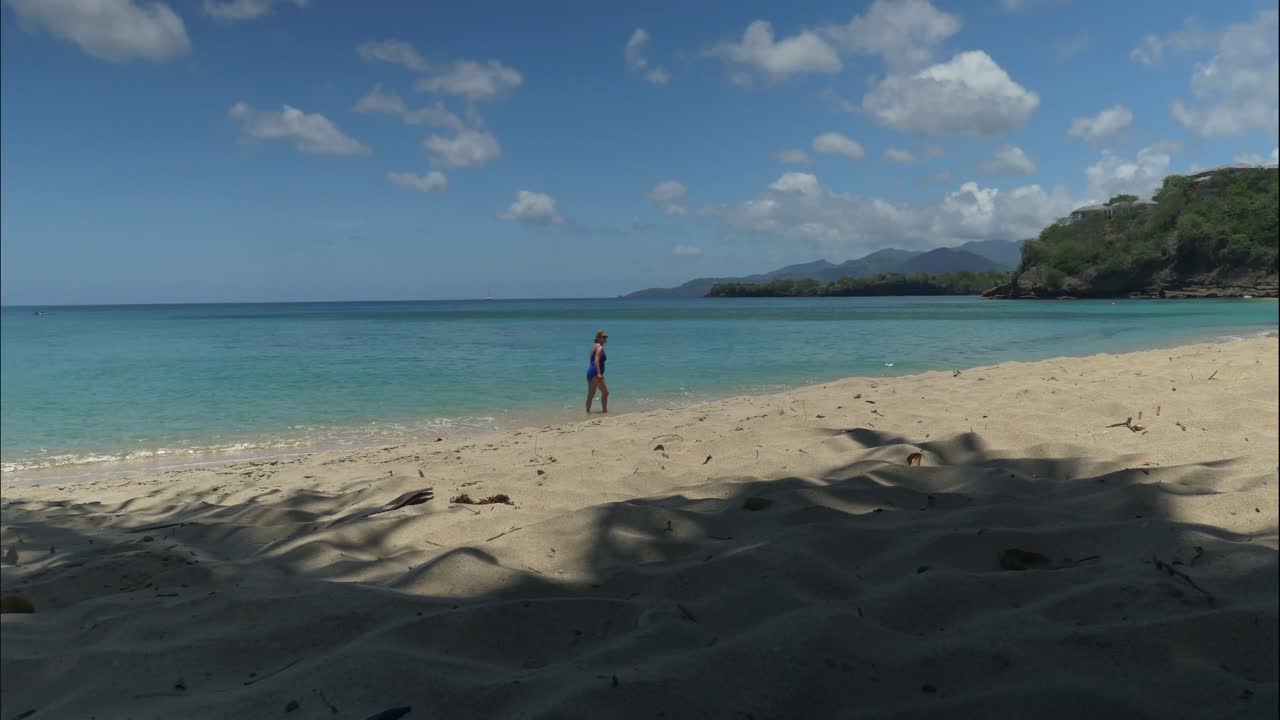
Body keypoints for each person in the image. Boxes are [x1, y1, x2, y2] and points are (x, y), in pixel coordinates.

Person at [586, 330, 609, 413]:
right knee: (606, 392)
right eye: (603, 337)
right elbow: (596, 360)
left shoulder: (594, 346)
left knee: (591, 395)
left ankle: (587, 413)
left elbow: (591, 360)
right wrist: (599, 373)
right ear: (598, 338)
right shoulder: (600, 348)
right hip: (595, 373)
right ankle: (605, 412)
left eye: (606, 337)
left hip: (590, 373)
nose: (605, 338)